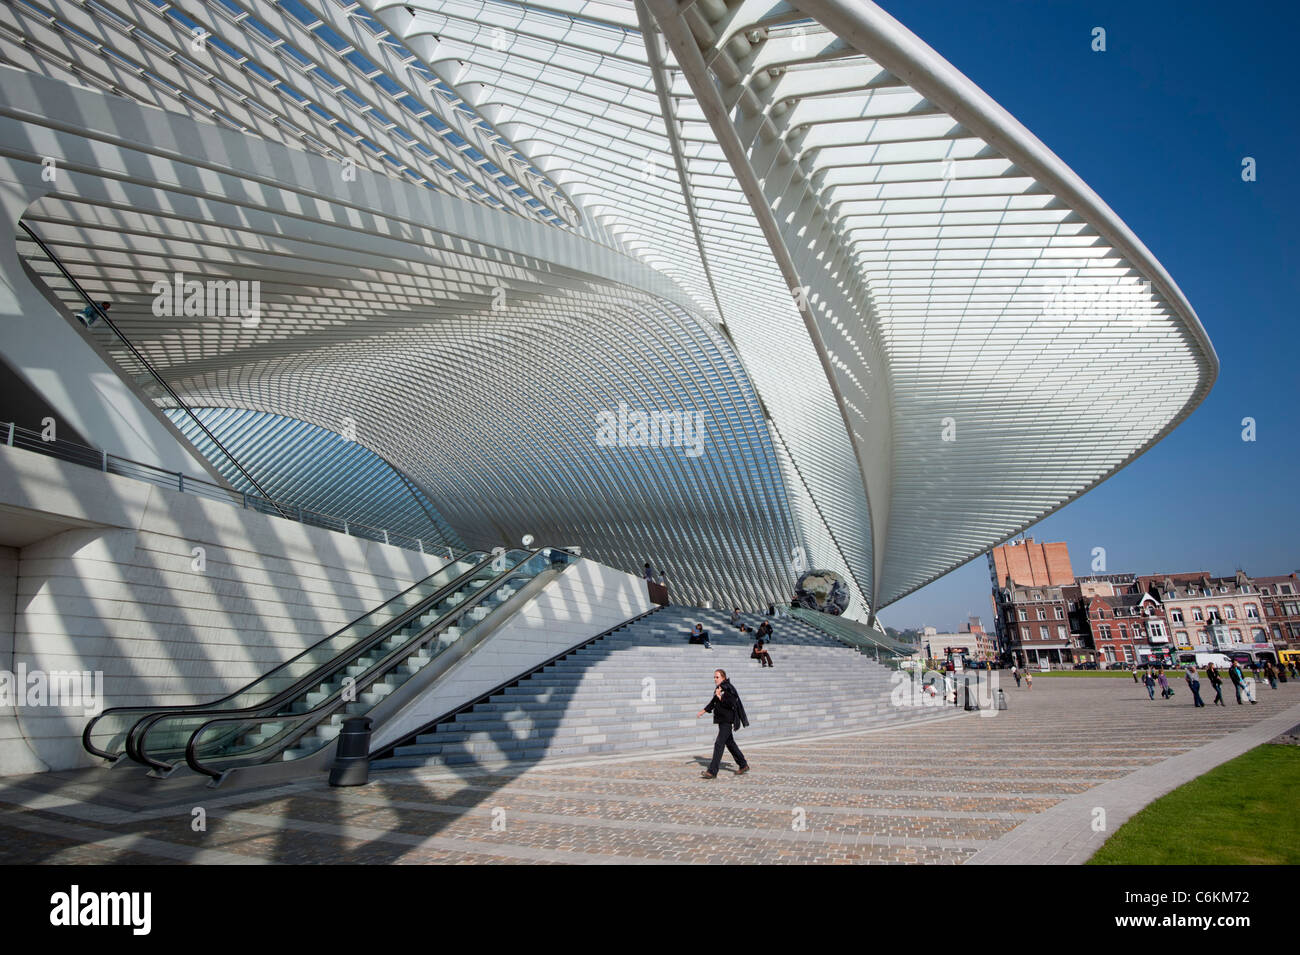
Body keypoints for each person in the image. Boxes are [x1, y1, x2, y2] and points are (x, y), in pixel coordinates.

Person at [697, 669, 749, 778]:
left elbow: (731, 702)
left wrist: (720, 696)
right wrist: (703, 711)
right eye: (714, 677)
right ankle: (743, 764)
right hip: (722, 720)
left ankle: (712, 771)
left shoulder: (728, 688)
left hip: (727, 721)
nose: (715, 679)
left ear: (723, 678)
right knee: (730, 743)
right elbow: (713, 702)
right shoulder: (720, 688)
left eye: (717, 677)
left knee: (719, 744)